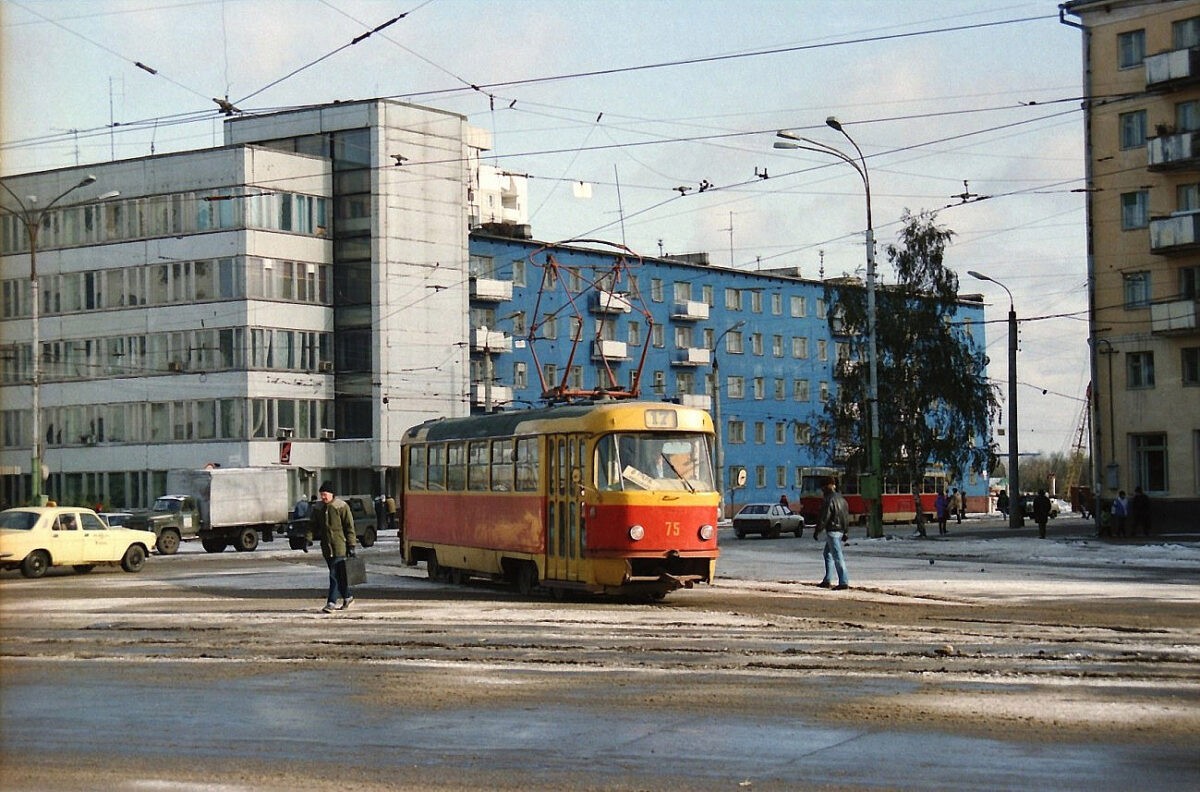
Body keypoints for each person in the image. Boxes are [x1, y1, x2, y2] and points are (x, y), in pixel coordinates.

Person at [310, 481, 357, 613]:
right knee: (340, 575)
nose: (323, 497)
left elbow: (349, 527)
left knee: (334, 574)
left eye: (325, 494)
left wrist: (351, 545)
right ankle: (348, 597)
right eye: (321, 495)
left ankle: (331, 603)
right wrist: (308, 539)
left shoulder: (341, 507)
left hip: (340, 546)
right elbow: (312, 525)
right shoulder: (318, 508)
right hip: (326, 548)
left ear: (331, 494)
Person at [813, 477, 850, 590]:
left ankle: (843, 581)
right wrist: (846, 531)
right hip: (840, 530)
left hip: (832, 530)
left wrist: (817, 530)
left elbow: (825, 517)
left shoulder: (828, 499)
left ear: (826, 486)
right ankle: (827, 579)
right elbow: (845, 517)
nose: (822, 490)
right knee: (827, 554)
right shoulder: (842, 499)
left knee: (837, 556)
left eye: (822, 487)